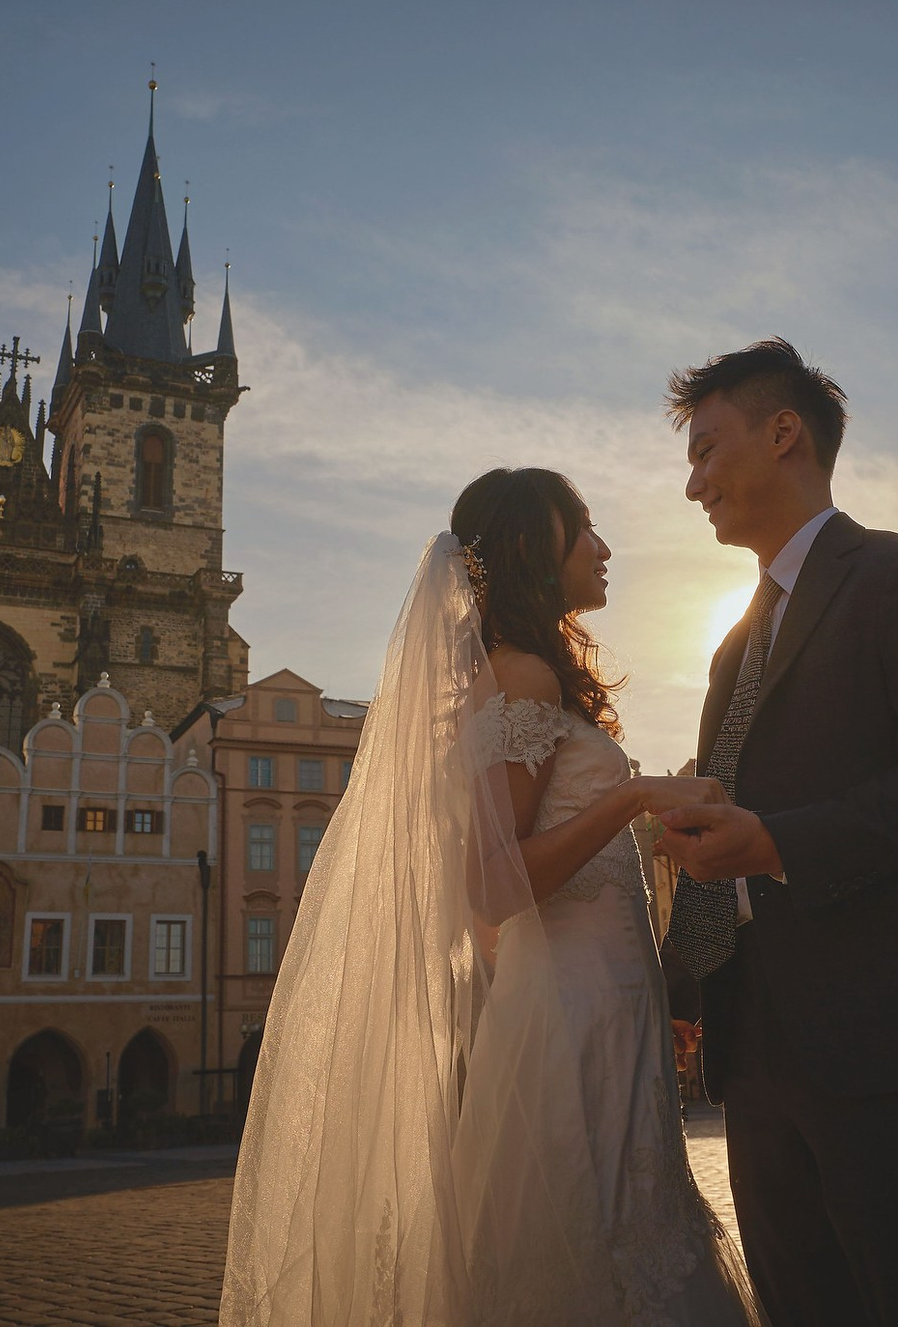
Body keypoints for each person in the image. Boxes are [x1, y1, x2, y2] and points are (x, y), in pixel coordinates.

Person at [220, 468, 758, 1325]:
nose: (604, 547)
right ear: (529, 551)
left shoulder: (521, 675)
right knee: (602, 1250)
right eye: (582, 527)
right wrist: (633, 798)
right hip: (579, 1008)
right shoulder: (524, 679)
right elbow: (492, 881)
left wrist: (656, 827)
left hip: (598, 999)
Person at [657, 337, 898, 1326]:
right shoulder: (735, 637)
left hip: (893, 1037)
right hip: (756, 1055)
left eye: (704, 449)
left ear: (783, 434)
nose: (693, 484)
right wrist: (680, 977)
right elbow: (733, 810)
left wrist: (774, 840)